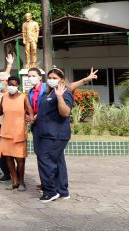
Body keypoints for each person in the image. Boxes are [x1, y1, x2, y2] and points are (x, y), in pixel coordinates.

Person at [33, 68, 74, 202]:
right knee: (57, 161)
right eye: (49, 77)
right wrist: (35, 118)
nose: (51, 79)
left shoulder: (64, 93)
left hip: (54, 134)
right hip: (45, 133)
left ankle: (50, 191)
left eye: (55, 77)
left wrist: (60, 96)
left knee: (45, 160)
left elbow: (65, 112)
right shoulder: (48, 93)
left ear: (62, 79)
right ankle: (62, 191)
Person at [0, 76, 34, 192]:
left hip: (19, 132)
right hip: (6, 132)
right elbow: (0, 112)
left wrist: (31, 118)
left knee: (20, 159)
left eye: (15, 84)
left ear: (18, 86)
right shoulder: (4, 97)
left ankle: (22, 182)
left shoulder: (23, 97)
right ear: (7, 84)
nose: (13, 86)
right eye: (11, 84)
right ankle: (15, 181)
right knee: (9, 158)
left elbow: (30, 110)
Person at [0, 72, 11, 182]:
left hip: (10, 125)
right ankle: (6, 173)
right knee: (1, 149)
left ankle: (16, 172)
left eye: (0, 81)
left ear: (6, 81)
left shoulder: (14, 93)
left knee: (12, 150)